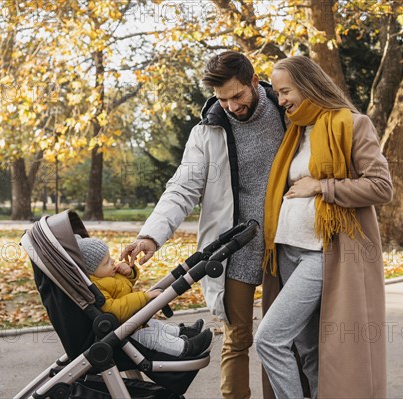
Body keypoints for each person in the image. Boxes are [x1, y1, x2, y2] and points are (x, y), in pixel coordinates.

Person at [120, 51, 286, 398]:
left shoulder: (287, 111)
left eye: (238, 96)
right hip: (235, 246)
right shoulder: (208, 130)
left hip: (285, 242)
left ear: (255, 81)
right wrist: (151, 235)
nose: (231, 106)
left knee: (283, 338)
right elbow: (183, 187)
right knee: (237, 338)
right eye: (222, 99)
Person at [255, 56, 393, 398]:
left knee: (269, 340)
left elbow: (381, 187)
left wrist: (322, 186)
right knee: (309, 352)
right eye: (277, 93)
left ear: (309, 84)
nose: (281, 99)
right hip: (287, 250)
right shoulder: (295, 132)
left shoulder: (353, 125)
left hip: (324, 253)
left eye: (286, 91)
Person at [75, 235, 213, 359]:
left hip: (130, 323)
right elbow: (115, 310)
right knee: (153, 336)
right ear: (90, 272)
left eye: (110, 257)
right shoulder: (96, 287)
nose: (112, 262)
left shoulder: (106, 276)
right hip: (124, 332)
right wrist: (144, 297)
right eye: (106, 263)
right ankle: (185, 348)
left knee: (154, 324)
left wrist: (128, 273)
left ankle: (183, 332)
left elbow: (124, 287)